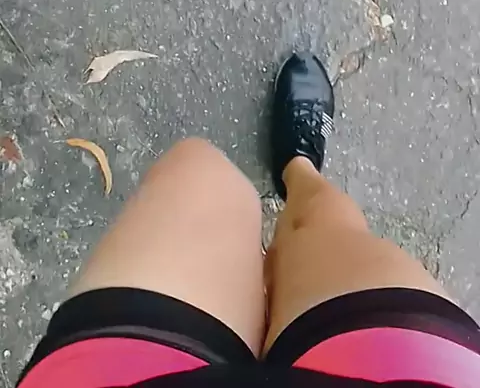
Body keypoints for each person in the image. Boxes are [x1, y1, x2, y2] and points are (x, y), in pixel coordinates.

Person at [16, 53, 480, 388]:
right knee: (320, 225)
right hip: (404, 373)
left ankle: (291, 199)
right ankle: (299, 167)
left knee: (199, 175)